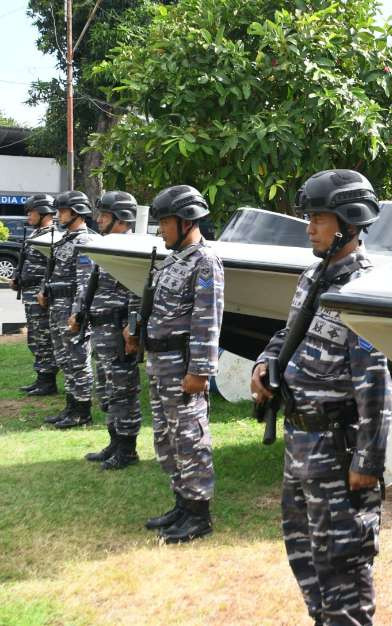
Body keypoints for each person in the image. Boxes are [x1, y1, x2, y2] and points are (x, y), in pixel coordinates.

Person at [251, 169, 392, 625]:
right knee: (306, 556)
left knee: (344, 568)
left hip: (338, 450)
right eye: (309, 217)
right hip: (301, 447)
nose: (309, 227)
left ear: (349, 223)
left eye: (319, 217)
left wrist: (367, 465)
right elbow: (288, 332)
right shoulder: (314, 276)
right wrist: (263, 363)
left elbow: (377, 387)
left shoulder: (364, 290)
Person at [129, 185, 223, 543]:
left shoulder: (204, 262)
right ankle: (182, 504)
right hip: (159, 363)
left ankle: (199, 515)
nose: (161, 229)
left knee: (190, 437)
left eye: (165, 222)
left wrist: (199, 371)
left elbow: (207, 320)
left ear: (186, 222)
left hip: (183, 366)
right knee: (168, 438)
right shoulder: (171, 260)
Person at [75, 191, 143, 469]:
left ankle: (127, 450)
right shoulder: (107, 246)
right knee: (106, 389)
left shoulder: (131, 249)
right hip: (101, 329)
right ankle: (115, 441)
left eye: (104, 215)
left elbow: (139, 291)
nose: (99, 219)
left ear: (121, 218)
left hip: (119, 331)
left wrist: (133, 329)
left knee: (123, 390)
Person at [40, 190, 99, 429]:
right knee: (65, 360)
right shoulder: (65, 239)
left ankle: (82, 410)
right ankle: (70, 406)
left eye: (62, 211)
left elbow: (85, 283)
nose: (58, 215)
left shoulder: (84, 241)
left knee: (77, 359)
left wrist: (78, 314)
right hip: (58, 308)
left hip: (71, 311)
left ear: (76, 213)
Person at [13, 194, 60, 397]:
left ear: (42, 213)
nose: (28, 216)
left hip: (40, 296)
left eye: (31, 212)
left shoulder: (52, 237)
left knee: (43, 337)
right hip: (29, 293)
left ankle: (47, 381)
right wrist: (18, 278)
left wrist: (44, 290)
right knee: (35, 337)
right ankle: (41, 378)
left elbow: (55, 269)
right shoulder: (36, 235)